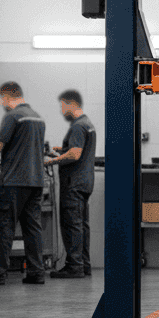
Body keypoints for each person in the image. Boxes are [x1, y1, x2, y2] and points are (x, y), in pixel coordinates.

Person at [0, 82, 46, 285]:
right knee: (33, 229)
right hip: (36, 181)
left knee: (4, 227)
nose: (2, 104)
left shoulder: (13, 116)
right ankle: (36, 272)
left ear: (8, 97)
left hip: (14, 181)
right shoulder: (38, 118)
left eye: (2, 100)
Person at [44, 90, 96, 278]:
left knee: (72, 224)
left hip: (73, 184)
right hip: (85, 182)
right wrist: (61, 151)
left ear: (71, 104)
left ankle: (74, 266)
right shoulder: (88, 124)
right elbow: (76, 150)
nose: (61, 110)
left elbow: (75, 154)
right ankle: (84, 264)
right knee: (82, 225)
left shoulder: (77, 126)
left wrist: (50, 161)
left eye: (62, 106)